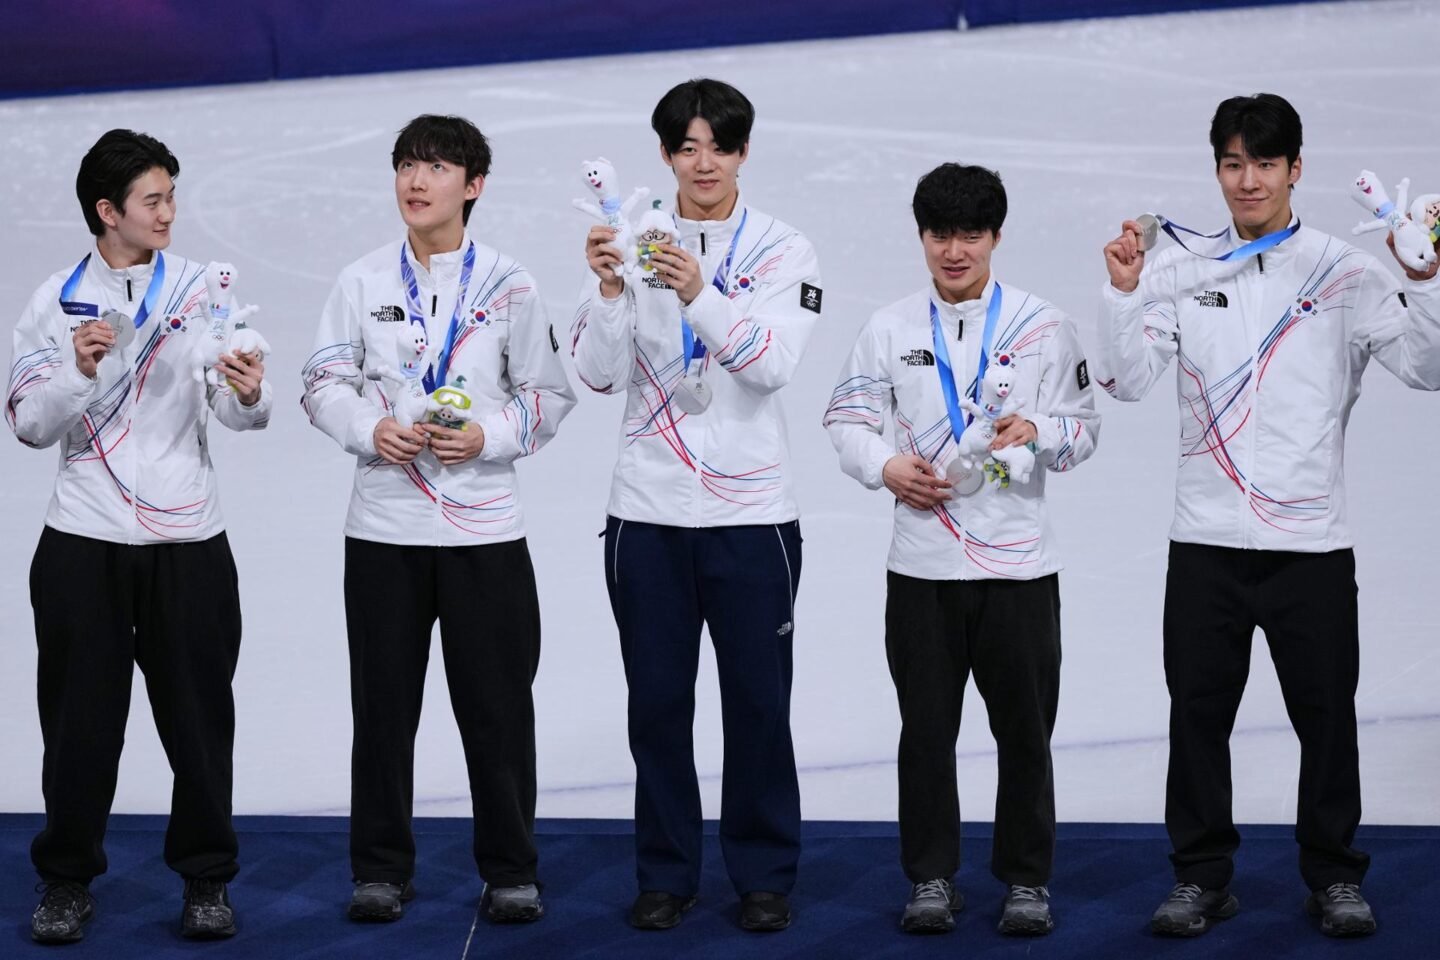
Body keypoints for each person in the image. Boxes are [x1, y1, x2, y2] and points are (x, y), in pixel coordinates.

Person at [1097, 92, 1440, 939]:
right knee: (1197, 719)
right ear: (1217, 168)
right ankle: (1201, 877)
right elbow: (1128, 381)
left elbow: (1427, 370)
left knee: (1326, 720)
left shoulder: (1346, 272)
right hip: (1205, 544)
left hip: (1311, 548)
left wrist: (1427, 278)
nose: (1246, 180)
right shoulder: (1179, 269)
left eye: (1263, 163)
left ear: (1296, 168)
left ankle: (1334, 875)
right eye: (1232, 163)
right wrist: (1122, 293)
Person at [301, 114, 575, 926]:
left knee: (497, 708)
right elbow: (322, 383)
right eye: (405, 166)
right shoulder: (360, 282)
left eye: (436, 167)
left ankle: (511, 868)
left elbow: (548, 396)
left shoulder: (511, 284)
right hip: (383, 529)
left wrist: (487, 438)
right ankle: (380, 868)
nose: (416, 182)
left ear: (474, 184)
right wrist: (368, 430)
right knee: (382, 709)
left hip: (484, 532)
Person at [6, 128, 272, 943]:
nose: (169, 213)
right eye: (152, 200)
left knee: (199, 723)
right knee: (80, 722)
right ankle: (65, 881)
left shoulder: (201, 288)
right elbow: (26, 424)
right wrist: (76, 374)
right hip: (83, 538)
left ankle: (205, 881)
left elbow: (239, 415)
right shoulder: (54, 300)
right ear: (106, 210)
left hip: (189, 538)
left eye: (171, 197)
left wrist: (247, 390)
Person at [571, 78, 821, 932]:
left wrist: (695, 290)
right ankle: (666, 873)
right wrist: (610, 291)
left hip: (752, 519)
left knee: (758, 703)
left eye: (719, 145)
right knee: (657, 704)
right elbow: (599, 375)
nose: (703, 161)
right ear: (666, 155)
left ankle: (762, 876)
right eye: (686, 146)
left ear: (744, 152)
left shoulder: (786, 250)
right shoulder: (636, 239)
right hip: (647, 513)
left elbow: (771, 364)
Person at [823, 163, 1098, 937]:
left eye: (970, 234)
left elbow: (1085, 432)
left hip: (1019, 568)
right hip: (924, 570)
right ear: (922, 237)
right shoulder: (889, 327)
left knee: (1024, 736)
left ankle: (1026, 882)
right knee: (926, 733)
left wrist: (1040, 432)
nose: (954, 250)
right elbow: (845, 420)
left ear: (996, 237)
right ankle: (932, 878)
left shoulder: (1044, 326)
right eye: (940, 234)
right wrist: (884, 467)